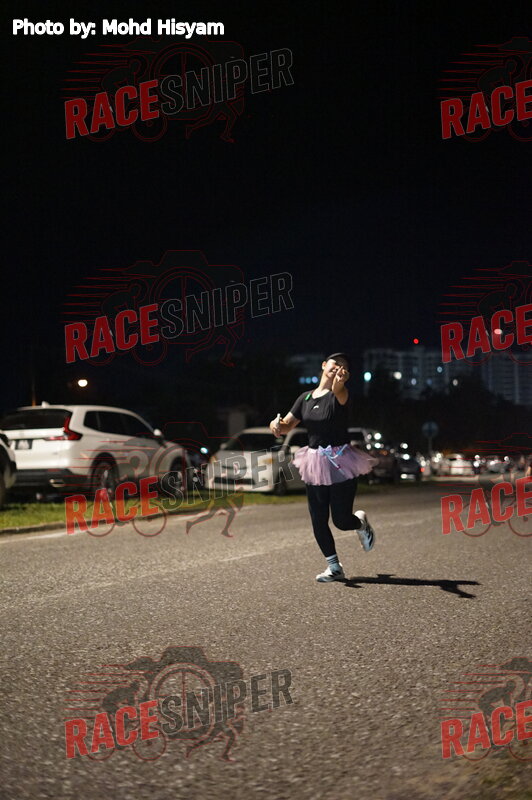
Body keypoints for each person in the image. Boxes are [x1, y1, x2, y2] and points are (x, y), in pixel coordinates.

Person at [269, 353, 378, 582]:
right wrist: (276, 425)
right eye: (335, 363)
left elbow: (339, 389)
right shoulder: (305, 398)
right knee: (318, 519)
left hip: (341, 462)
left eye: (344, 366)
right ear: (324, 365)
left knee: (341, 520)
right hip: (315, 462)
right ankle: (334, 566)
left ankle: (360, 524)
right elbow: (287, 425)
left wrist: (341, 381)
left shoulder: (340, 394)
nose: (339, 367)